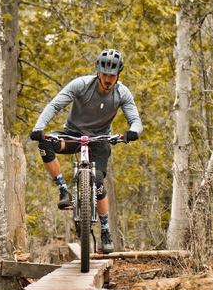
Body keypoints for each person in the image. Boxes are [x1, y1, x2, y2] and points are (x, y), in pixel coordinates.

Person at [30, 49, 143, 253]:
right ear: (98, 72)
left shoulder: (122, 93)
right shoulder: (81, 85)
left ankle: (105, 230)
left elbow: (135, 120)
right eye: (104, 74)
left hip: (100, 140)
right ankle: (63, 190)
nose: (108, 79)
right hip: (72, 135)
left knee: (97, 180)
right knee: (45, 143)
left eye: (112, 75)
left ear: (118, 75)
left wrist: (132, 132)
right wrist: (39, 127)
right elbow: (55, 105)